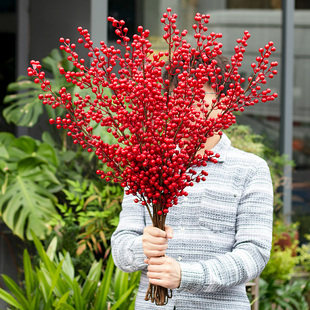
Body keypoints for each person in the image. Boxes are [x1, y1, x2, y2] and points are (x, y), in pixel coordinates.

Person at [111, 55, 273, 309]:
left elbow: (254, 254)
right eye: (181, 96)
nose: (190, 105)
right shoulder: (148, 165)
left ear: (224, 100)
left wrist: (187, 275)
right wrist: (142, 247)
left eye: (200, 95)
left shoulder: (250, 170)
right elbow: (121, 249)